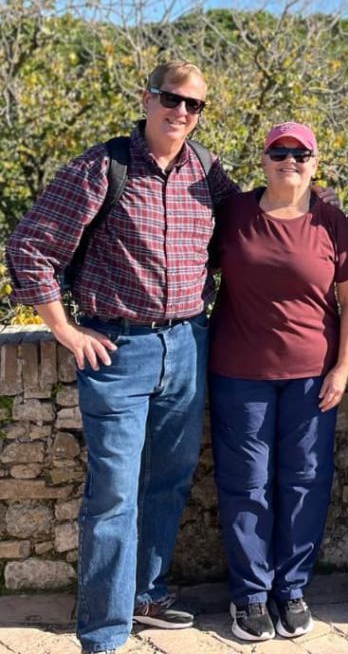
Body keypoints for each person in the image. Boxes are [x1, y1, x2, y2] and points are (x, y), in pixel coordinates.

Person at [6, 61, 236, 654]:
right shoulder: (101, 165)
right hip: (118, 349)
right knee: (113, 490)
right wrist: (63, 329)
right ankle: (104, 630)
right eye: (172, 99)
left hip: (187, 342)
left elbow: (248, 230)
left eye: (194, 105)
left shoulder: (207, 171)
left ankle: (146, 595)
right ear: (147, 97)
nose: (181, 112)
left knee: (169, 480)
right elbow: (31, 245)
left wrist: (313, 204)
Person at [208, 122, 348, 641]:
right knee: (246, 484)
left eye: (301, 154)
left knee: (305, 483)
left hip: (312, 377)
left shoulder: (331, 220)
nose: (290, 160)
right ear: (264, 158)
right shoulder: (233, 213)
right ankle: (251, 595)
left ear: (315, 163)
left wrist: (342, 367)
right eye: (280, 151)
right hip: (239, 374)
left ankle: (291, 589)